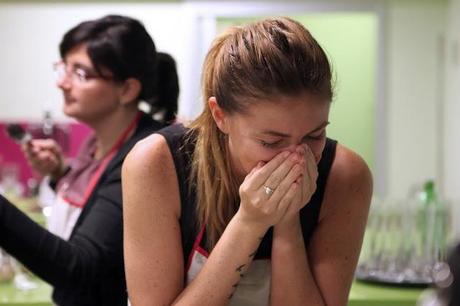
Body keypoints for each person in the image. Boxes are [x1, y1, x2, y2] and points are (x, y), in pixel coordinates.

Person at [123, 16, 372, 306]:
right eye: (271, 142)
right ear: (220, 116)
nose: (296, 158)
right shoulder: (156, 163)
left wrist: (286, 220)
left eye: (314, 136)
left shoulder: (346, 175)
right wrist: (250, 222)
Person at [0, 15, 179, 306]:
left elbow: (82, 267)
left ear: (127, 90)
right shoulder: (96, 142)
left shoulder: (145, 154)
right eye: (63, 68)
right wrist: (61, 174)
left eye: (80, 74)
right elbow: (100, 210)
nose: (62, 83)